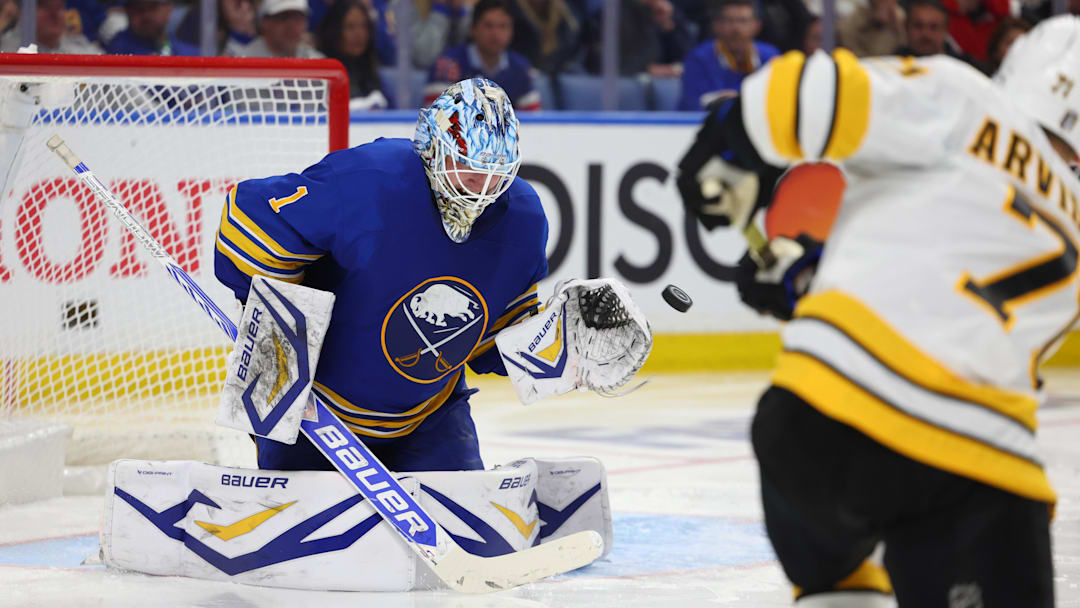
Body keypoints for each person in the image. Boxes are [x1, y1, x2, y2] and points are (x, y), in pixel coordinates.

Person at [675, 14, 1080, 607]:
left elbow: (804, 95)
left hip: (816, 421)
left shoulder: (965, 96)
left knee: (835, 581)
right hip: (974, 466)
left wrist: (728, 148)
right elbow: (968, 315)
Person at [214, 78, 547, 473]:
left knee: (472, 532)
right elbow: (246, 219)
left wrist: (564, 349)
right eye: (468, 168)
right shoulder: (369, 180)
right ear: (432, 148)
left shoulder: (522, 218)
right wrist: (281, 344)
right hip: (313, 415)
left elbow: (490, 343)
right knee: (298, 529)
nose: (483, 186)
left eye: (496, 172)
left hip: (428, 416)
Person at [426, 0, 540, 110]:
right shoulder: (448, 65)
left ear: (512, 31)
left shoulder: (521, 68)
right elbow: (436, 119)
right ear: (472, 29)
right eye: (488, 25)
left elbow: (532, 121)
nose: (496, 34)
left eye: (503, 26)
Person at [677, 0, 779, 111]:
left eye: (743, 21)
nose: (736, 29)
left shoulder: (771, 57)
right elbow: (693, 103)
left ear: (757, 26)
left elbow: (779, 99)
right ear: (716, 25)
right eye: (729, 21)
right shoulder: (698, 58)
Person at [316, 0, 396, 110]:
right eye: (350, 27)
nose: (359, 34)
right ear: (334, 31)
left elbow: (393, 114)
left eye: (364, 26)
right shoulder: (321, 75)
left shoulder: (374, 73)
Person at [893, 0, 985, 73]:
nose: (926, 33)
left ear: (946, 29)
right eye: (918, 26)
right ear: (906, 27)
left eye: (934, 27)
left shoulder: (966, 67)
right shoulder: (890, 65)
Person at [0, 0, 102, 53]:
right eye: (45, 7)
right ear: (21, 12)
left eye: (59, 7)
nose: (55, 14)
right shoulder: (7, 51)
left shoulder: (79, 46)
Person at [233, 0, 323, 59]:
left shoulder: (318, 61)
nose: (291, 25)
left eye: (297, 18)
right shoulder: (244, 60)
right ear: (264, 22)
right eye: (283, 17)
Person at [105, 0, 197, 55]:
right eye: (138, 9)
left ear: (169, 8)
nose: (146, 15)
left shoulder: (189, 52)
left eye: (153, 7)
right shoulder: (118, 51)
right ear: (128, 12)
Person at [837, 0, 906, 58]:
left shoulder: (900, 18)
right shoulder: (855, 19)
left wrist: (897, 24)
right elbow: (849, 48)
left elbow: (905, 48)